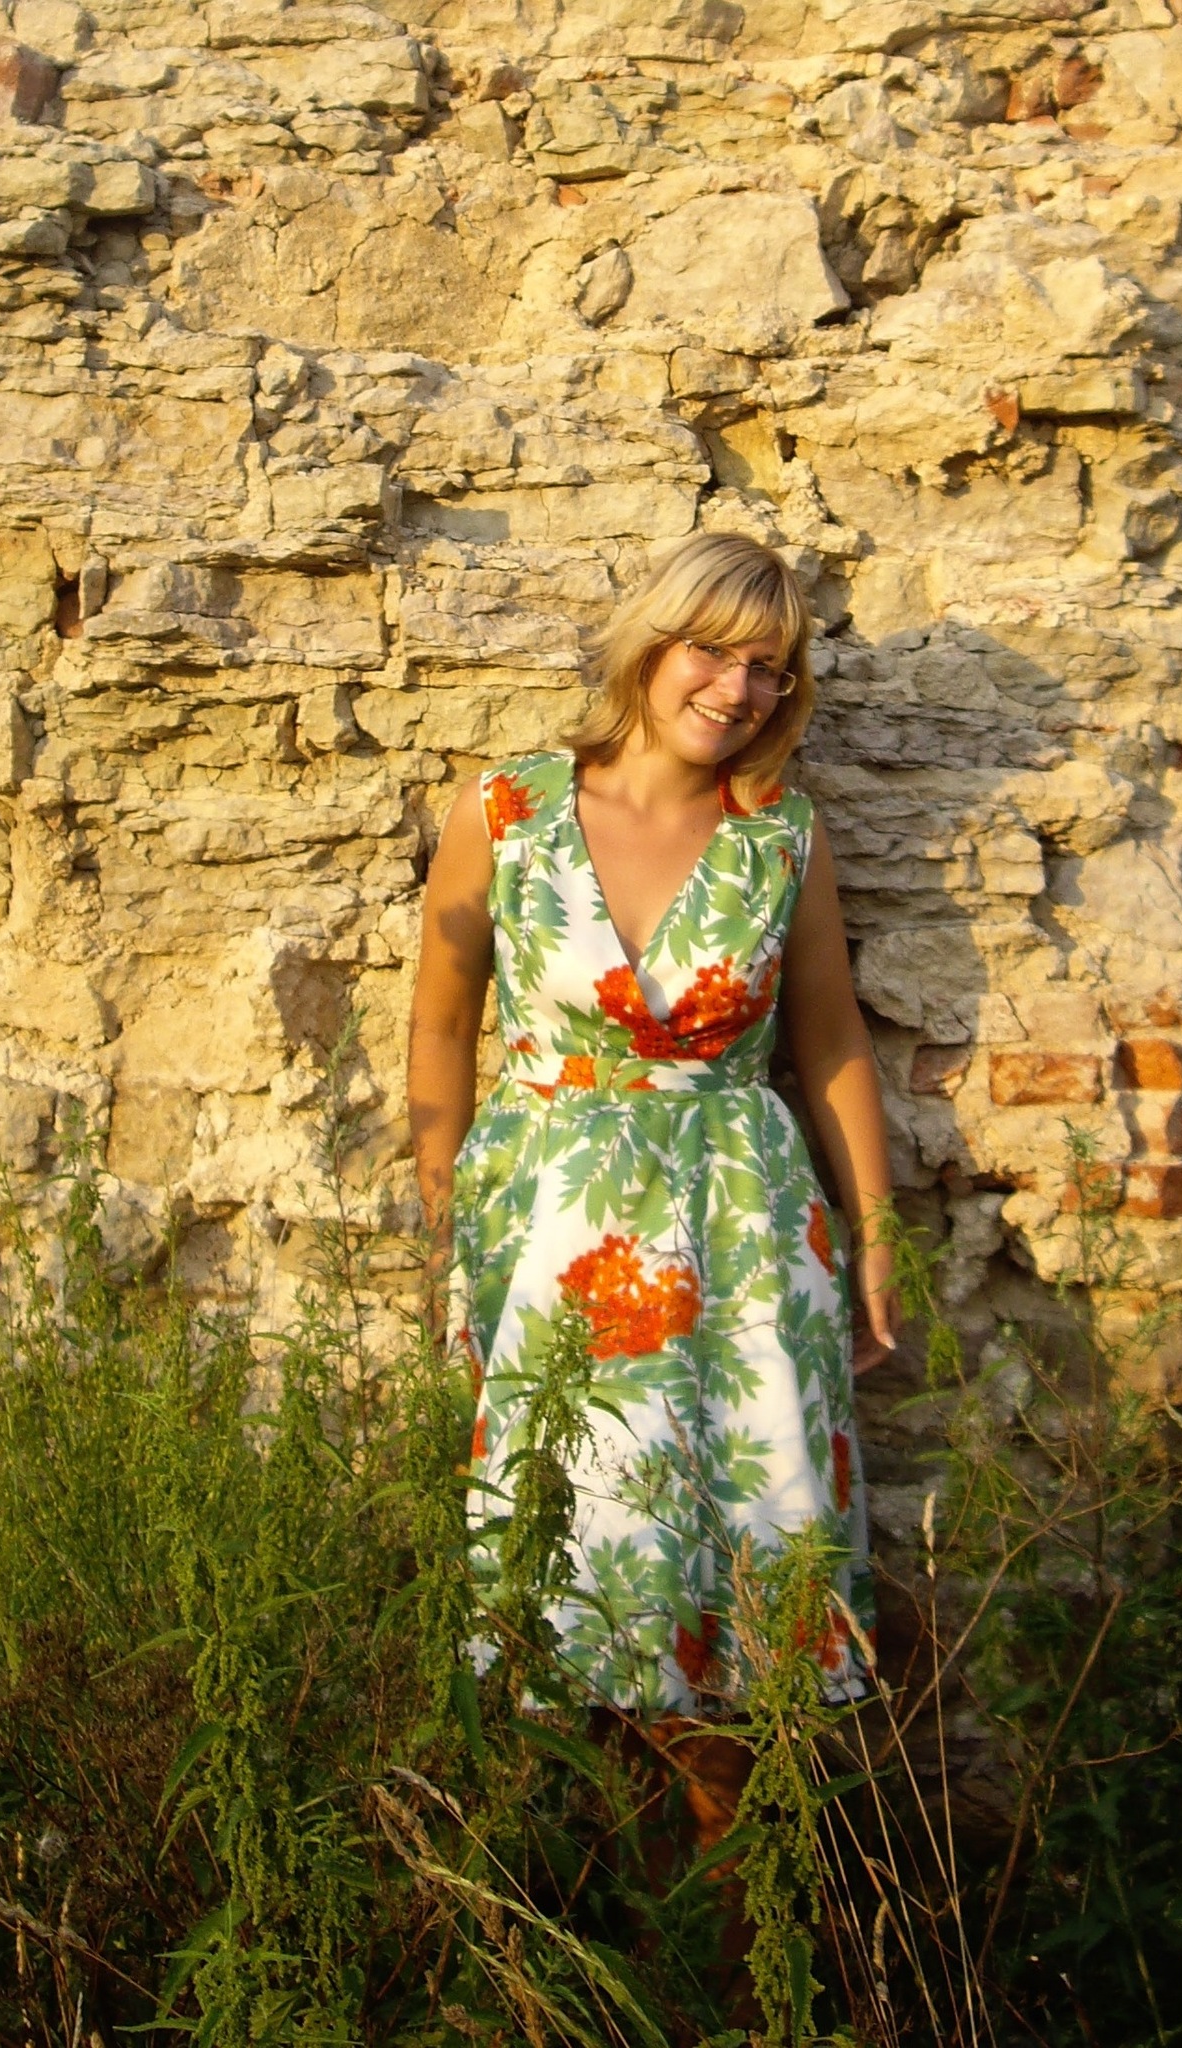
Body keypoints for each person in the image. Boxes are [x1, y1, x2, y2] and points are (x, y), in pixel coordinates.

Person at [407, 531, 898, 1754]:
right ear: (650, 645)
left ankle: (739, 1848)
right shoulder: (506, 810)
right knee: (571, 1542)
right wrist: (447, 1213)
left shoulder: (781, 836)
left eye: (770, 668)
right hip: (551, 1233)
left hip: (745, 1230)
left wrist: (877, 1237)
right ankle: (586, 1851)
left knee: (757, 1540)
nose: (739, 690)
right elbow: (441, 1019)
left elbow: (830, 1040)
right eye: (713, 652)